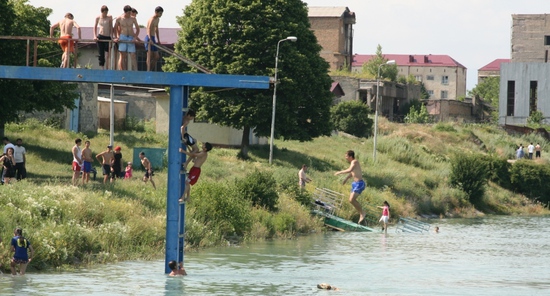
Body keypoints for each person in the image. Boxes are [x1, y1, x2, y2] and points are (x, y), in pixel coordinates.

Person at [334, 150, 367, 224]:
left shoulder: (354, 162)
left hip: (359, 183)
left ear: (350, 156)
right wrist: (346, 179)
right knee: (350, 200)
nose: (345, 158)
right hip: (355, 184)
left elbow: (350, 170)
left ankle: (362, 213)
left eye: (346, 156)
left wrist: (339, 172)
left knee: (352, 199)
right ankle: (361, 213)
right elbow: (352, 173)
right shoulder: (353, 163)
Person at [114, 5, 140, 70]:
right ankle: (123, 71)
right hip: (123, 37)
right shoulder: (119, 18)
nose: (129, 14)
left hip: (131, 37)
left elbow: (138, 29)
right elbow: (115, 28)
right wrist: (117, 37)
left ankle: (136, 71)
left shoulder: (133, 18)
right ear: (125, 12)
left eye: (130, 12)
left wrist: (135, 38)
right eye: (128, 13)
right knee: (123, 55)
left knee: (133, 55)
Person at [145, 6, 163, 71]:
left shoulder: (157, 19)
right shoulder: (151, 19)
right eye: (160, 13)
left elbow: (156, 29)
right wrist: (150, 39)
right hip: (148, 37)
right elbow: (148, 29)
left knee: (156, 56)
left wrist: (158, 40)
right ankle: (148, 70)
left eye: (161, 13)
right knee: (149, 56)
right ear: (156, 12)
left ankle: (150, 69)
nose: (161, 15)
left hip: (153, 37)